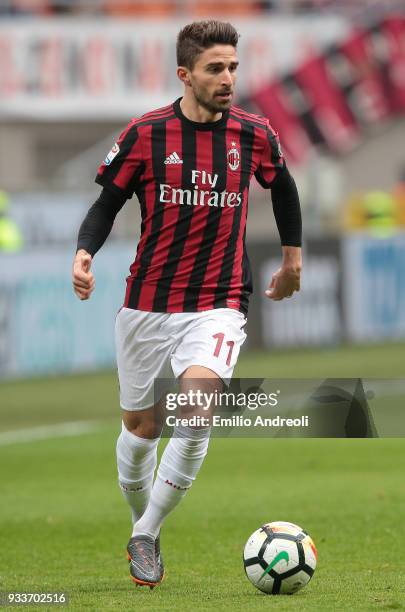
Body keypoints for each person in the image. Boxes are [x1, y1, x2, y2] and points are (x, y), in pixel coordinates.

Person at [72, 20, 302, 589]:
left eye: (233, 68)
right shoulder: (146, 134)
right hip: (147, 303)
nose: (228, 79)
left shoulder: (254, 133)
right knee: (141, 427)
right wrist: (84, 253)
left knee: (198, 408)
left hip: (219, 300)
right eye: (215, 69)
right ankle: (139, 521)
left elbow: (285, 186)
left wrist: (293, 259)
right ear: (186, 75)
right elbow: (107, 203)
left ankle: (147, 532)